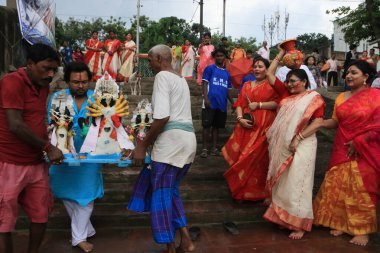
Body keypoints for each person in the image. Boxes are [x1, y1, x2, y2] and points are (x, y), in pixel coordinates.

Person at [128, 44, 196, 253]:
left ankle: (170, 246)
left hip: (170, 145)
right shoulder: (180, 80)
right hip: (188, 142)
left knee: (161, 196)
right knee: (170, 190)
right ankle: (186, 240)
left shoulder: (162, 77)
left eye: (150, 60)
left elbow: (163, 116)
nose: (150, 64)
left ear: (159, 58)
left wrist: (142, 144)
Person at [0, 43, 64, 253]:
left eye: (54, 69)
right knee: (4, 222)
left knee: (40, 214)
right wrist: (48, 146)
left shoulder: (43, 85)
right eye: (46, 68)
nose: (50, 74)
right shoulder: (12, 82)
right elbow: (15, 124)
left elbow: (35, 119)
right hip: (9, 162)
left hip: (36, 162)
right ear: (29, 64)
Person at [313, 60, 379, 247]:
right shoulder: (342, 97)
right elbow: (335, 121)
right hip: (342, 146)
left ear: (366, 77)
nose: (348, 76)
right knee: (339, 185)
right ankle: (340, 222)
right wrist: (319, 122)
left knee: (363, 189)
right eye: (348, 72)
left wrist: (360, 141)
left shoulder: (376, 96)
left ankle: (362, 230)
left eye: (354, 73)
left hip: (366, 149)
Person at [263, 46, 325, 240]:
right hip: (283, 146)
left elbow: (318, 121)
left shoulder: (313, 98)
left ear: (304, 81)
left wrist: (298, 138)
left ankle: (299, 224)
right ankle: (284, 220)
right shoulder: (285, 95)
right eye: (288, 81)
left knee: (300, 183)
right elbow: (269, 72)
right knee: (284, 183)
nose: (289, 84)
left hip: (304, 143)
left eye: (293, 81)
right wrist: (281, 53)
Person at [48, 62, 103, 253]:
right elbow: (51, 124)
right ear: (67, 81)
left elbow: (105, 124)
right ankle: (86, 228)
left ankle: (78, 237)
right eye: (75, 82)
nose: (80, 86)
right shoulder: (58, 97)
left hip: (89, 157)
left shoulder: (97, 99)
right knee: (66, 193)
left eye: (84, 82)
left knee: (86, 196)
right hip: (62, 154)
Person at [222, 56, 279, 201]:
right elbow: (240, 103)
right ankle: (241, 191)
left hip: (264, 127)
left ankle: (258, 192)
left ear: (267, 69)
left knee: (259, 160)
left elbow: (278, 103)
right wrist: (240, 119)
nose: (257, 69)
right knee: (243, 157)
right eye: (255, 66)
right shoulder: (247, 84)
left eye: (260, 66)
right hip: (246, 127)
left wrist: (259, 105)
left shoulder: (272, 85)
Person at [200, 48, 234, 158]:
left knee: (216, 127)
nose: (220, 57)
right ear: (215, 57)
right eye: (218, 56)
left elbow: (228, 90)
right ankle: (205, 149)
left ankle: (214, 148)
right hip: (210, 102)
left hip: (221, 104)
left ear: (225, 57)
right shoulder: (210, 69)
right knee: (207, 126)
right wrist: (206, 99)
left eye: (222, 56)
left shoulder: (227, 74)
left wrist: (233, 102)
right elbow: (204, 84)